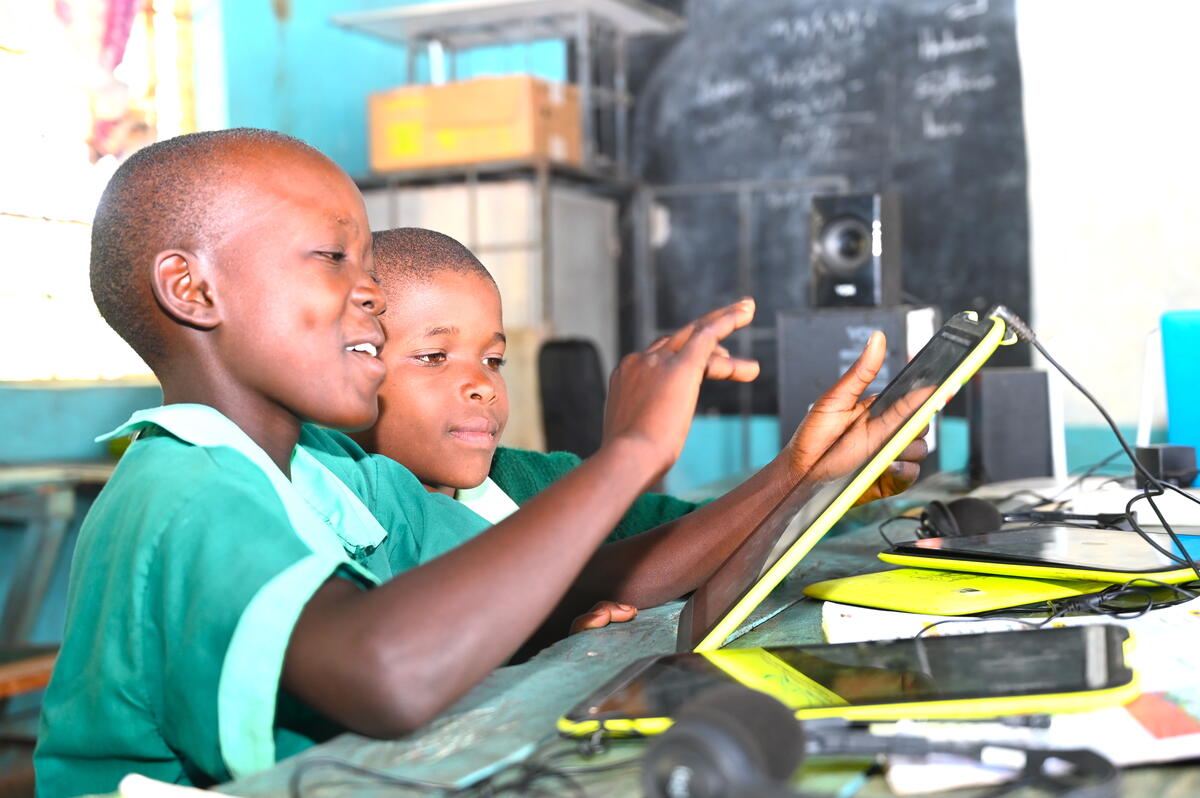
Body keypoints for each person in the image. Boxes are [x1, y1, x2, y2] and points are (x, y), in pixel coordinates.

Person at [33, 128, 762, 797]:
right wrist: (631, 452)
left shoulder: (336, 475)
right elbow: (385, 674)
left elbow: (567, 583)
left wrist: (804, 467)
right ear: (193, 290)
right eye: (332, 256)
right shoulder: (182, 491)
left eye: (368, 265)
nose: (374, 291)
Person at [351, 227, 927, 649]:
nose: (480, 383)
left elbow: (693, 532)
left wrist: (831, 483)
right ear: (356, 363)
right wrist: (797, 472)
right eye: (433, 357)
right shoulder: (356, 507)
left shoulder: (527, 480)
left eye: (494, 359)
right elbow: (573, 584)